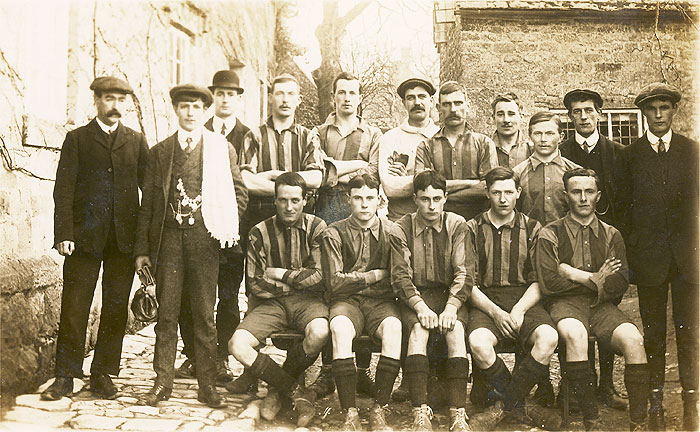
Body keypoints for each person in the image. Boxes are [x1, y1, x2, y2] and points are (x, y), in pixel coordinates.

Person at [133, 84, 248, 408]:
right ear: (175, 109)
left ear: (205, 111)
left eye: (196, 106)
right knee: (166, 315)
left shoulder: (220, 148)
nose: (190, 112)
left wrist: (220, 222)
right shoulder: (161, 151)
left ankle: (207, 385)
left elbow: (239, 194)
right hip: (168, 242)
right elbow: (149, 205)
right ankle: (162, 382)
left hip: (204, 242)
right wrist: (142, 251)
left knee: (203, 316)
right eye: (184, 106)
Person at [43, 76, 148, 401]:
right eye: (108, 98)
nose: (115, 105)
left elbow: (149, 194)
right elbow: (64, 189)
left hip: (123, 240)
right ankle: (65, 375)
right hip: (84, 240)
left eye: (120, 99)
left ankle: (103, 373)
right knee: (75, 306)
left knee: (116, 308)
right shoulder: (78, 139)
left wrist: (142, 242)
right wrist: (64, 234)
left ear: (126, 103)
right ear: (97, 101)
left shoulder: (135, 140)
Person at [226, 73, 325, 394]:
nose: (284, 99)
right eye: (279, 93)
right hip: (261, 221)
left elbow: (317, 177)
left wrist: (274, 182)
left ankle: (283, 375)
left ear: (298, 99)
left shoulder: (308, 137)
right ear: (271, 97)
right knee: (258, 299)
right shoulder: (255, 135)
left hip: (299, 220)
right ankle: (252, 372)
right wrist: (288, 187)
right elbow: (245, 181)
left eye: (291, 94)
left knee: (293, 289)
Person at [536, 168, 651, 431]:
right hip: (564, 305)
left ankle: (639, 423)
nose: (583, 198)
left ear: (598, 196)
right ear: (566, 196)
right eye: (576, 192)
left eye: (589, 192)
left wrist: (576, 274)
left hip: (602, 308)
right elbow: (550, 283)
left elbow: (619, 283)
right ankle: (592, 422)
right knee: (575, 334)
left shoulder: (612, 234)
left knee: (634, 339)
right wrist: (599, 278)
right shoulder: (550, 233)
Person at [614, 82, 699, 431]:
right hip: (649, 259)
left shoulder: (691, 151)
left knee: (690, 332)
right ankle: (655, 404)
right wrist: (635, 247)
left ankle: (692, 403)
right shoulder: (630, 155)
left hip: (687, 261)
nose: (659, 114)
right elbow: (621, 208)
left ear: (673, 111)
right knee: (653, 333)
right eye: (652, 109)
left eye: (665, 107)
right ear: (643, 113)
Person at [228, 172, 327, 428]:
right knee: (237, 345)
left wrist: (282, 275)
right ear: (275, 200)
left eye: (295, 200)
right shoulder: (259, 232)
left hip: (309, 303)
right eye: (283, 200)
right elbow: (255, 283)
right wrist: (296, 283)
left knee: (320, 332)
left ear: (306, 200)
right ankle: (293, 390)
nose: (289, 206)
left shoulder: (318, 228)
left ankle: (275, 389)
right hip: (272, 305)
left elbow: (321, 277)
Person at [465, 167, 560, 431]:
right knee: (478, 342)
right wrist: (496, 313)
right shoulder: (471, 228)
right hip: (486, 301)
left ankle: (504, 406)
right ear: (487, 193)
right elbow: (467, 282)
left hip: (525, 299)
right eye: (496, 192)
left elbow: (539, 280)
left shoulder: (532, 227)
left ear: (518, 193)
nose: (503, 199)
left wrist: (518, 311)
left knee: (548, 338)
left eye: (509, 192)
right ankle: (520, 406)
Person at [310, 71, 383, 399]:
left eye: (353, 92)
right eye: (341, 92)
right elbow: (320, 176)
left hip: (362, 216)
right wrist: (351, 167)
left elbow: (374, 173)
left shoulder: (373, 133)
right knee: (330, 288)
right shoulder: (319, 132)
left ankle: (361, 370)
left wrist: (336, 168)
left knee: (361, 285)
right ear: (333, 97)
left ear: (360, 97)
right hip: (326, 214)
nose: (347, 98)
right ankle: (329, 369)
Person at [176, 70, 251, 383]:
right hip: (195, 236)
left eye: (230, 94)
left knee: (228, 298)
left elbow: (243, 187)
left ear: (237, 99)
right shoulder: (196, 129)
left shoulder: (248, 135)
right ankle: (195, 355)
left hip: (231, 236)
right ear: (212, 100)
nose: (224, 99)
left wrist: (227, 225)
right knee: (192, 298)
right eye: (219, 94)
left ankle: (221, 357)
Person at [559, 88, 626, 410]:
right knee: (569, 313)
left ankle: (606, 384)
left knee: (606, 313)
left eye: (588, 110)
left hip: (607, 245)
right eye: (576, 112)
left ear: (599, 114)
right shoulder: (562, 152)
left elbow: (626, 204)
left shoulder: (617, 153)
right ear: (570, 118)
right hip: (570, 246)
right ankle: (571, 385)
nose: (583, 117)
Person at [390, 170, 472, 432]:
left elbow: (464, 272)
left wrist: (451, 307)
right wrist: (420, 306)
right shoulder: (401, 228)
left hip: (449, 295)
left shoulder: (458, 225)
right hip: (417, 295)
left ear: (446, 198)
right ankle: (419, 410)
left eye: (437, 198)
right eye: (425, 199)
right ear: (415, 199)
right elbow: (400, 276)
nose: (432, 205)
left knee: (455, 328)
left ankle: (458, 411)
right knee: (418, 329)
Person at [321, 174, 401, 431]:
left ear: (379, 199)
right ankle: (350, 412)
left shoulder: (393, 231)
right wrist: (374, 275)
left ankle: (380, 408)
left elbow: (397, 277)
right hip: (347, 301)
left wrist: (356, 278)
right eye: (358, 198)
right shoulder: (334, 232)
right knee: (340, 328)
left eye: (370, 198)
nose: (364, 204)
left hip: (381, 302)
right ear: (348, 200)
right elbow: (334, 281)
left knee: (394, 328)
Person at [414, 81, 497, 222]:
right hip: (439, 223)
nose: (453, 109)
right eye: (446, 104)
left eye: (458, 103)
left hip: (478, 222)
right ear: (439, 108)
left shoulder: (484, 143)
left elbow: (488, 188)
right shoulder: (426, 147)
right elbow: (422, 187)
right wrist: (470, 183)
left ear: (467, 105)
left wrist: (441, 195)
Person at [378, 77, 439, 222]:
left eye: (422, 97)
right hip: (400, 220)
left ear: (431, 101)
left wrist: (408, 180)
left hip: (437, 220)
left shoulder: (441, 136)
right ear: (404, 103)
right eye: (411, 98)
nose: (417, 103)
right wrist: (436, 180)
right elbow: (391, 188)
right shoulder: (390, 138)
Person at [513, 111, 580, 225]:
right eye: (538, 133)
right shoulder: (517, 173)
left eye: (550, 133)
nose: (543, 139)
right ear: (530, 137)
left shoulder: (575, 172)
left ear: (561, 137)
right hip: (531, 239)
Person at [490, 92, 532, 168]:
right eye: (500, 114)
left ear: (521, 117)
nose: (506, 120)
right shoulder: (485, 149)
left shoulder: (532, 149)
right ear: (493, 118)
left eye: (511, 114)